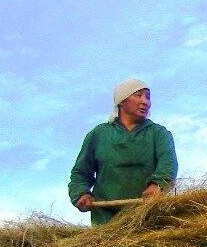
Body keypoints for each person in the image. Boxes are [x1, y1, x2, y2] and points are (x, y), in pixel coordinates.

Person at [68, 78, 178, 225]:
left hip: (148, 217)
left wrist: (157, 185)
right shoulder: (99, 134)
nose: (145, 102)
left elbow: (168, 163)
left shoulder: (159, 134)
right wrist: (82, 193)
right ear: (122, 101)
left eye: (148, 97)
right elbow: (80, 173)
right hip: (106, 220)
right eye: (138, 95)